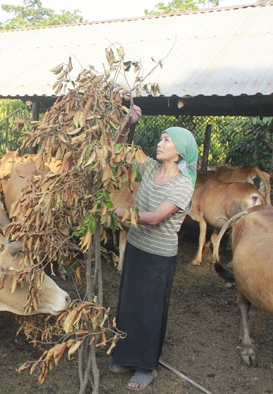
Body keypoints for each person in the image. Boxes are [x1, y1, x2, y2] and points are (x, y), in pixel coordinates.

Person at [109, 105, 198, 391]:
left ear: (180, 151)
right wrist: (127, 122)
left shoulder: (183, 185)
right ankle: (124, 355)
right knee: (129, 304)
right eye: (159, 139)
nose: (160, 144)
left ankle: (146, 367)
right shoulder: (149, 169)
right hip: (136, 247)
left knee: (150, 310)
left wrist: (125, 214)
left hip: (159, 258)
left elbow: (157, 216)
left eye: (167, 140)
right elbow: (118, 152)